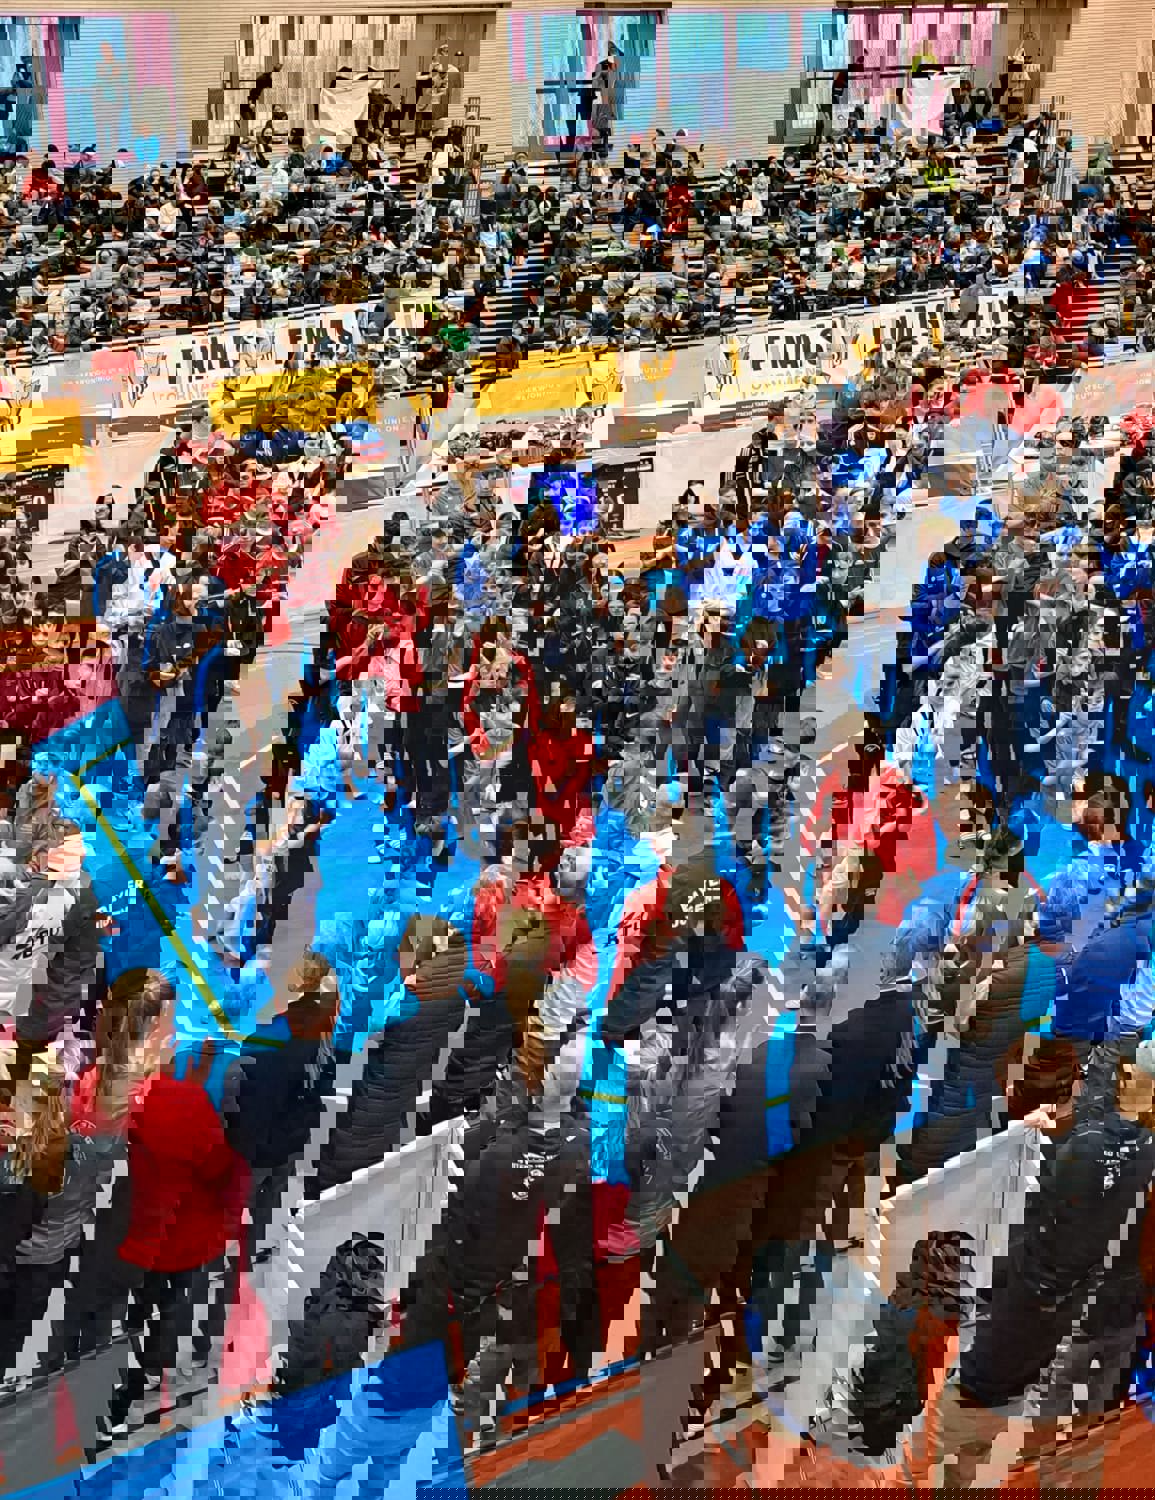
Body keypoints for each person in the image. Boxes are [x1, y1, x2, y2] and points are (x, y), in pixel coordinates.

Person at [93, 1036, 247, 1448]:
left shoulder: (108, 1093)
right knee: (159, 1319)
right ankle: (123, 1404)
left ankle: (92, 1403)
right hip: (177, 1239)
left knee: (106, 1323)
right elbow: (217, 1167)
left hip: (119, 1235)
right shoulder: (188, 1103)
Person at [224, 950, 343, 1257]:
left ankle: (223, 1259)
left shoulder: (272, 1040)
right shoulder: (328, 1030)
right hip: (296, 1132)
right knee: (270, 1198)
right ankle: (253, 1249)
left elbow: (256, 1103)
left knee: (238, 1201)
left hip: (262, 1142)